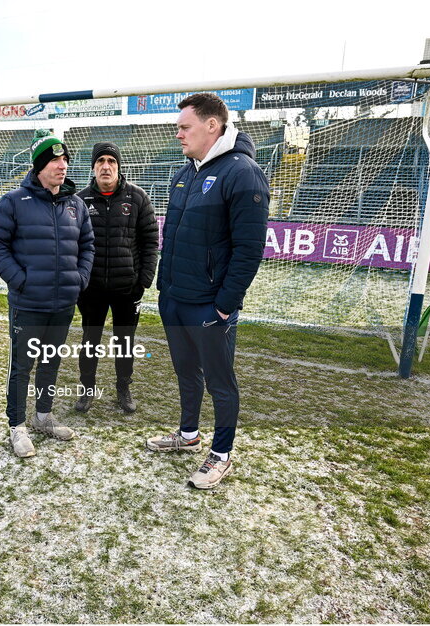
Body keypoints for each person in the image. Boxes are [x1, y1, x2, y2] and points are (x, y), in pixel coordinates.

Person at [146, 93, 269, 489]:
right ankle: (188, 435)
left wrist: (224, 305)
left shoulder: (243, 172)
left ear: (211, 126)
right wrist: (164, 289)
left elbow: (249, 250)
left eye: (185, 127)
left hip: (209, 305)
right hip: (175, 298)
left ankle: (221, 453)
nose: (178, 133)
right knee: (186, 372)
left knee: (220, 381)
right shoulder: (185, 172)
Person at [0, 129, 95, 458]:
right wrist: (21, 280)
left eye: (65, 160)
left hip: (63, 303)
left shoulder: (75, 204)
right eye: (55, 160)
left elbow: (87, 245)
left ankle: (43, 416)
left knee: (50, 362)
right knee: (22, 366)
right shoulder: (15, 202)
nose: (62, 166)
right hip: (28, 304)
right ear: (39, 166)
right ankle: (17, 426)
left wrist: (80, 279)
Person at [74, 142, 158, 414]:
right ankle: (87, 389)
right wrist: (79, 279)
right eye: (101, 161)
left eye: (111, 160)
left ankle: (123, 388)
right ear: (93, 167)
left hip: (127, 289)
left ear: (119, 166)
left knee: (124, 343)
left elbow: (150, 241)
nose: (106, 166)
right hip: (92, 289)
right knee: (90, 340)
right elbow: (70, 243)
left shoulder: (138, 198)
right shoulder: (79, 200)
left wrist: (143, 281)